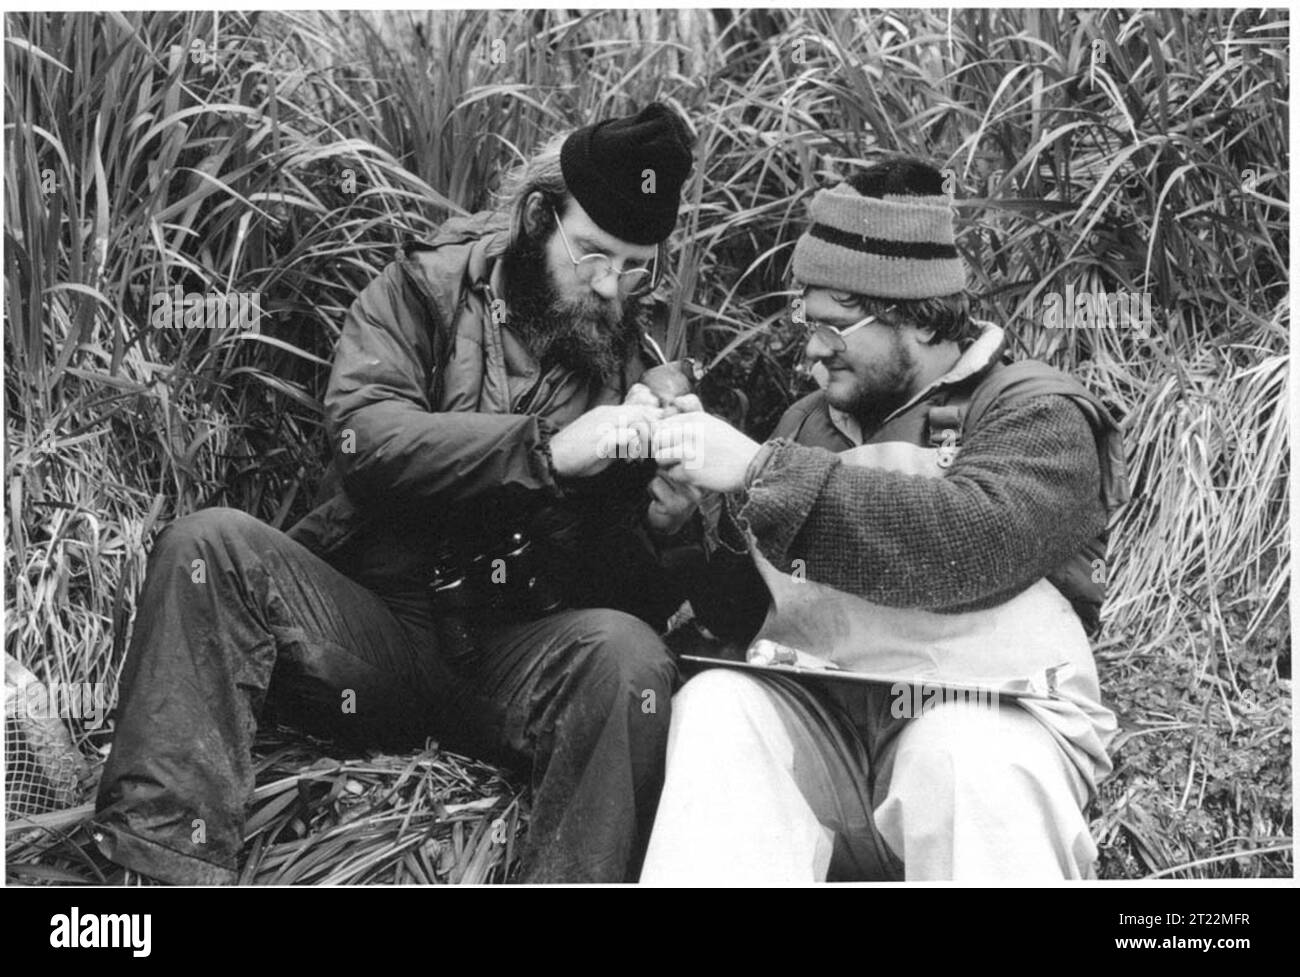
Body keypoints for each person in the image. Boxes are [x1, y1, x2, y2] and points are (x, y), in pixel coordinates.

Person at [92, 103, 705, 884]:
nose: (609, 288)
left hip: (511, 658)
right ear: (540, 217)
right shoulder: (421, 289)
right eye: (590, 254)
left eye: (634, 267)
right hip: (373, 627)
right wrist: (546, 451)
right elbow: (364, 440)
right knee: (208, 545)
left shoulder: (637, 363)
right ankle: (154, 872)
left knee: (628, 657)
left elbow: (629, 597)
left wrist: (669, 521)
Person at [641, 156, 1130, 882]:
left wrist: (756, 471)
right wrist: (684, 524)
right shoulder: (807, 422)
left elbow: (965, 543)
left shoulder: (1038, 414)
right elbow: (752, 612)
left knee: (960, 757)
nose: (811, 349)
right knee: (718, 705)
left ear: (915, 316)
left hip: (988, 720)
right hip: (831, 726)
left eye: (836, 326)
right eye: (810, 323)